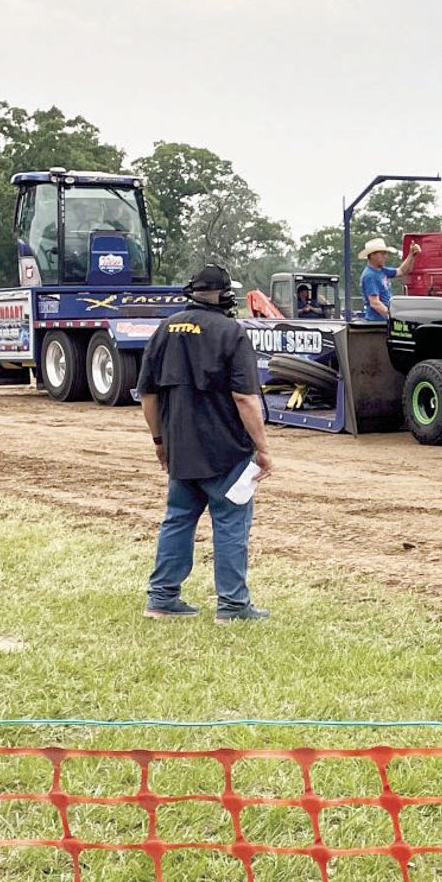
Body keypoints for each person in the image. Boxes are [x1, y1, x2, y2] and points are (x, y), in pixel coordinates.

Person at [138, 265, 274, 624]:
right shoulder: (231, 332)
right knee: (230, 523)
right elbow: (245, 398)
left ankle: (162, 598)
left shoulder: (164, 330)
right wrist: (263, 448)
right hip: (225, 451)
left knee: (178, 520)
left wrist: (159, 441)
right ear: (222, 294)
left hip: (180, 448)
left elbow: (148, 396)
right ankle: (232, 606)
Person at [359, 237, 422, 323]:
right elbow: (375, 303)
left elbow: (402, 271)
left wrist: (411, 255)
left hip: (383, 320)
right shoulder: (370, 275)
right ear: (372, 255)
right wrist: (393, 317)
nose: (385, 257)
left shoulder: (382, 270)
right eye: (382, 254)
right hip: (377, 322)